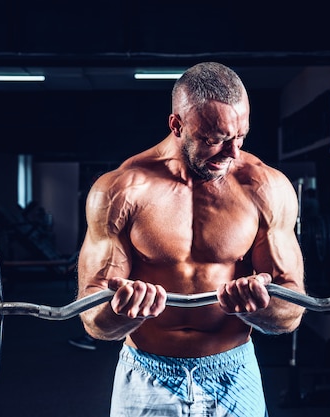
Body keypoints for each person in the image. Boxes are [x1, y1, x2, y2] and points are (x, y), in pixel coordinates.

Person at [76, 62, 306, 416]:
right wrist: (125, 314)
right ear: (177, 125)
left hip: (234, 373)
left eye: (239, 137)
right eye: (214, 140)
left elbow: (291, 314)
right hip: (147, 374)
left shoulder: (264, 188)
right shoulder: (120, 191)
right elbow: (93, 321)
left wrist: (258, 308)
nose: (231, 154)